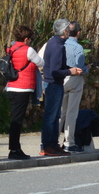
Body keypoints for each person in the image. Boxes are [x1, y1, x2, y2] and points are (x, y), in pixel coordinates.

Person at [39, 19, 81, 157]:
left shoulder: (54, 42)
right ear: (64, 31)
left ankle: (53, 144)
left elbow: (58, 67)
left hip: (55, 83)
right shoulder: (57, 46)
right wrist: (71, 72)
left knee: (56, 115)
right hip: (53, 84)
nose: (69, 31)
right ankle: (47, 146)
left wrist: (70, 69)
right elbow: (55, 70)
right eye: (68, 29)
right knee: (51, 116)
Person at [5, 25, 42, 160]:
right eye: (30, 39)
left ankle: (15, 148)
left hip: (11, 86)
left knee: (16, 118)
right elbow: (41, 62)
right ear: (26, 39)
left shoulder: (11, 48)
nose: (31, 41)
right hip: (23, 87)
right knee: (17, 120)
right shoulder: (28, 50)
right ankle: (14, 149)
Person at [60, 21, 89, 153]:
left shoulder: (61, 43)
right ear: (78, 33)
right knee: (72, 112)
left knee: (61, 112)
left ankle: (52, 141)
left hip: (61, 78)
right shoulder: (78, 48)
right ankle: (69, 142)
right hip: (74, 79)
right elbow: (80, 68)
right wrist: (87, 68)